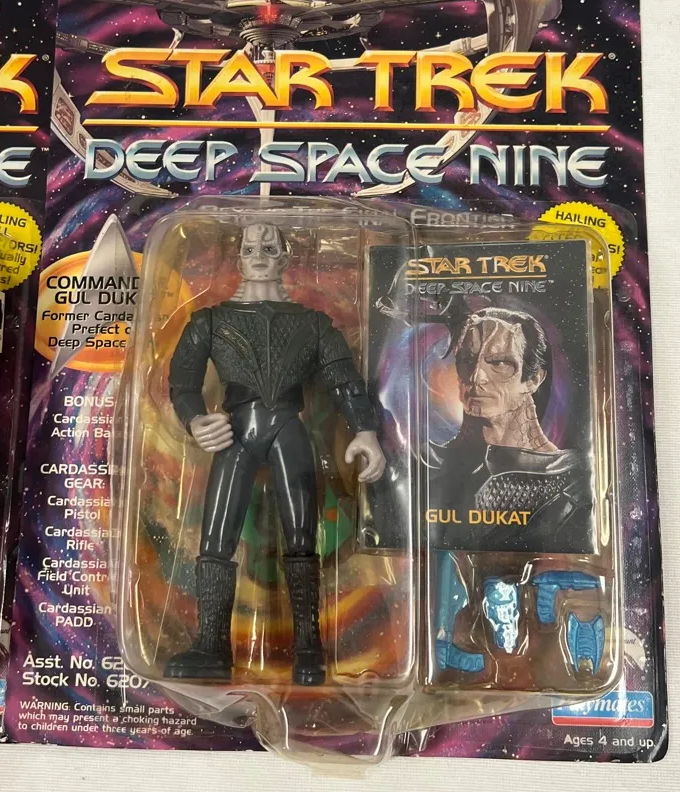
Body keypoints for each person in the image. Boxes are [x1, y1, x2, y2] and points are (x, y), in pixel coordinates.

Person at [166, 223, 386, 685]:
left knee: (302, 538)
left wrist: (365, 431)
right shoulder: (210, 321)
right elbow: (183, 385)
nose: (259, 255)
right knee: (216, 538)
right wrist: (195, 420)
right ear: (239, 257)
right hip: (235, 431)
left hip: (289, 427)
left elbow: (344, 381)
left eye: (269, 247)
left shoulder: (313, 324)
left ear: (285, 257)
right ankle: (211, 644)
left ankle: (309, 647)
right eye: (250, 248)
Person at [425, 307, 593, 553]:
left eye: (500, 363)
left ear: (533, 380)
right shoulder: (422, 464)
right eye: (467, 360)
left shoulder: (575, 478)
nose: (477, 377)